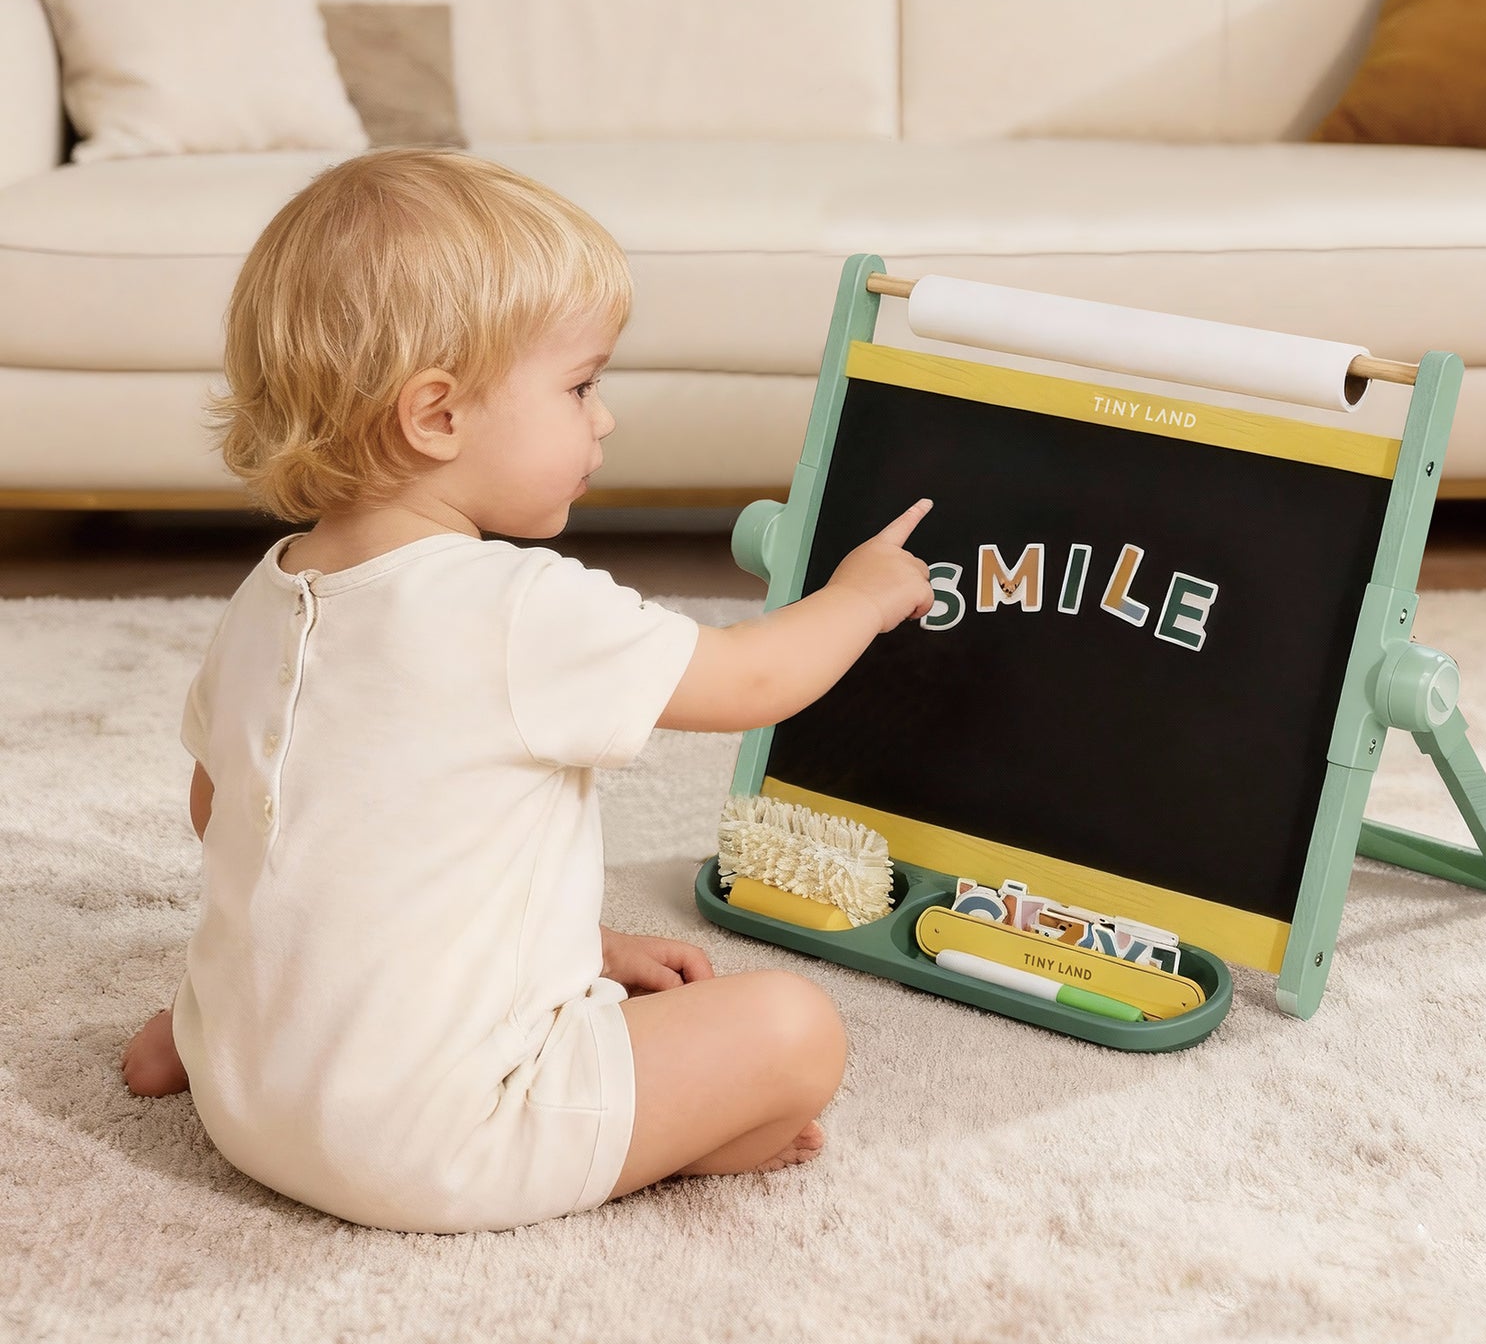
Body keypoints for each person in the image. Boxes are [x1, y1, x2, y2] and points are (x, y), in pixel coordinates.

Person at [120, 147, 934, 1233]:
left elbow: (228, 821)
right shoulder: (520, 606)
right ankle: (664, 1144)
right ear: (437, 416)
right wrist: (860, 595)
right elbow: (755, 679)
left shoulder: (267, 594)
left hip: (246, 1105)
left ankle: (210, 1036)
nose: (604, 418)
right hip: (435, 1146)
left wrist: (578, 947)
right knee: (794, 1032)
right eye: (581, 385)